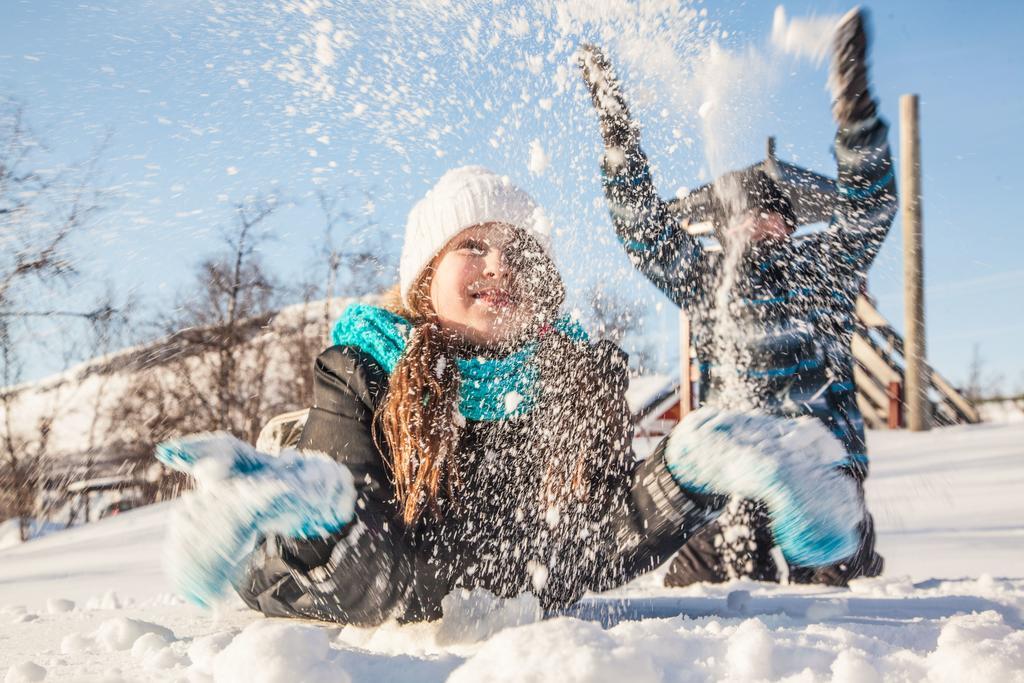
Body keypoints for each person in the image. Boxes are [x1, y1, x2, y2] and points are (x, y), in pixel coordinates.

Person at [156, 166, 865, 624]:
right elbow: (374, 584)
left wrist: (690, 472)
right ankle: (290, 496)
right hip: (334, 562)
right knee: (359, 545)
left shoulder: (578, 375)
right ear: (423, 279)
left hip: (493, 584)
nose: (500, 262)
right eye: (473, 246)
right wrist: (323, 511)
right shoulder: (364, 365)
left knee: (549, 565)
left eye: (519, 250)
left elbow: (594, 547)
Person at [578, 8, 891, 587]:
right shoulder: (706, 281)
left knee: (839, 616)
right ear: (724, 229)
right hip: (737, 477)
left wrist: (857, 115)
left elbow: (868, 213)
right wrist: (618, 136)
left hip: (819, 467)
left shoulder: (823, 271)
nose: (757, 225)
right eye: (744, 216)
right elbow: (643, 231)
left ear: (790, 227)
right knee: (709, 604)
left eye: (771, 215)